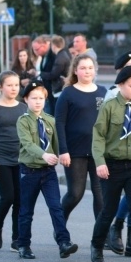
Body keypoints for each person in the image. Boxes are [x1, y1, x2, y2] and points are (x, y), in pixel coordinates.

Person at [90, 65, 131, 262]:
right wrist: (100, 162)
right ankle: (97, 246)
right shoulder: (109, 107)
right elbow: (98, 135)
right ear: (120, 85)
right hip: (112, 166)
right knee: (108, 209)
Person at [15, 81, 78, 260]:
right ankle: (24, 245)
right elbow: (27, 144)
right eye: (33, 98)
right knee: (26, 211)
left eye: (41, 98)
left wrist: (62, 154)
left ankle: (64, 242)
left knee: (56, 207)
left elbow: (58, 144)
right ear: (26, 99)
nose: (37, 102)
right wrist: (44, 155)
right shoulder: (23, 121)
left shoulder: (50, 120)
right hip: (29, 171)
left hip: (48, 172)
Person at [55, 54, 107, 225]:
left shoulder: (102, 92)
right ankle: (60, 225)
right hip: (74, 151)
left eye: (90, 68)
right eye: (83, 68)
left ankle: (101, 236)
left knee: (100, 194)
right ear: (75, 71)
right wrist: (63, 150)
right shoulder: (68, 93)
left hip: (98, 151)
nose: (87, 71)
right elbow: (60, 123)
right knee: (75, 194)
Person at [0, 71, 27, 252]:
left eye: (16, 85)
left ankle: (16, 239)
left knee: (19, 200)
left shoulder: (24, 108)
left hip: (20, 159)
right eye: (9, 85)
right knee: (8, 197)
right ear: (1, 87)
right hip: (1, 159)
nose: (13, 88)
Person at [39, 35, 71, 113]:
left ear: (53, 45)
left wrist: (40, 74)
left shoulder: (60, 58)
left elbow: (53, 74)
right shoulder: (63, 54)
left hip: (60, 89)